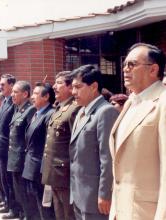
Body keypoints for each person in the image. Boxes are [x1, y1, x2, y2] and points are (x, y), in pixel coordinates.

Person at [109, 43, 166, 220]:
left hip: (147, 213)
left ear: (153, 69)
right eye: (125, 64)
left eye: (132, 64)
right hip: (121, 209)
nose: (125, 69)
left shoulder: (162, 103)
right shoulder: (131, 102)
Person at [69, 65, 119, 220]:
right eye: (72, 87)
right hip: (79, 193)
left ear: (94, 86)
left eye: (78, 87)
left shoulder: (105, 112)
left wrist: (104, 194)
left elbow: (107, 158)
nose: (73, 92)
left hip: (95, 197)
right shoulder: (81, 112)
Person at [41, 71, 80, 220]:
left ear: (70, 87)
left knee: (68, 214)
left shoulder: (74, 109)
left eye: (59, 83)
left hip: (65, 174)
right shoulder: (59, 108)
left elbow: (75, 145)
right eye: (54, 83)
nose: (54, 87)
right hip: (54, 173)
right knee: (59, 214)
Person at [22, 82, 55, 220]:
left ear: (46, 96)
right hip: (31, 166)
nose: (32, 97)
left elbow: (49, 145)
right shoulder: (37, 113)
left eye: (36, 94)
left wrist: (44, 170)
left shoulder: (50, 114)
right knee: (34, 203)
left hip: (40, 169)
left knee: (45, 206)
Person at [7, 80, 36, 219]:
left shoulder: (30, 110)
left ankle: (28, 216)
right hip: (14, 158)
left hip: (22, 159)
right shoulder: (18, 109)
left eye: (15, 92)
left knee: (25, 193)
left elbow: (31, 138)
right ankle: (23, 214)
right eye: (12, 92)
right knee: (18, 191)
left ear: (25, 94)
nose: (12, 95)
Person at [0, 74, 16, 217]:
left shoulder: (13, 102)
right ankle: (7, 203)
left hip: (7, 146)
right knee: (3, 179)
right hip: (0, 145)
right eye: (0, 84)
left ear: (11, 85)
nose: (0, 87)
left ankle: (13, 208)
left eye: (3, 85)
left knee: (8, 179)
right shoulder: (6, 102)